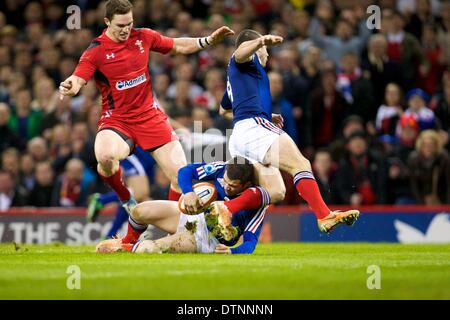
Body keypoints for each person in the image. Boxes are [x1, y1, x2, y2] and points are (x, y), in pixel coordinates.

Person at [58, 0, 234, 242]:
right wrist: (71, 85)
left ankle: (177, 232)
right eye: (120, 25)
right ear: (107, 22)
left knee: (181, 175)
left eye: (129, 23)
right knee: (106, 158)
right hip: (117, 120)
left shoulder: (143, 37)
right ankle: (124, 196)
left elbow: (177, 46)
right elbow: (79, 77)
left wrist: (206, 41)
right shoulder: (96, 50)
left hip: (151, 118)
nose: (126, 29)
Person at [219, 29, 359, 233]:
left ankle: (225, 209)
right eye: (265, 49)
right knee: (300, 164)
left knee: (276, 191)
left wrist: (263, 115)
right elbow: (240, 53)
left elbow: (223, 109)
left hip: (241, 133)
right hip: (254, 128)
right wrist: (261, 41)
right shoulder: (246, 61)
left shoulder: (239, 78)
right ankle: (323, 215)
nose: (267, 53)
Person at [96, 157, 271, 254]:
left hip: (205, 239)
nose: (226, 187)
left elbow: (250, 243)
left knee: (150, 249)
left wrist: (232, 252)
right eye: (224, 182)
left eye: (232, 186)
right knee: (139, 211)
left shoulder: (255, 202)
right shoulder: (222, 167)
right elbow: (186, 171)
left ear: (246, 185)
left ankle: (122, 249)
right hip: (193, 214)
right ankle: (127, 241)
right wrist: (188, 192)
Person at [86, 146, 154, 239]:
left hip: (146, 155)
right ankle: (102, 200)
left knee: (137, 199)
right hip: (135, 152)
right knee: (140, 193)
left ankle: (110, 234)